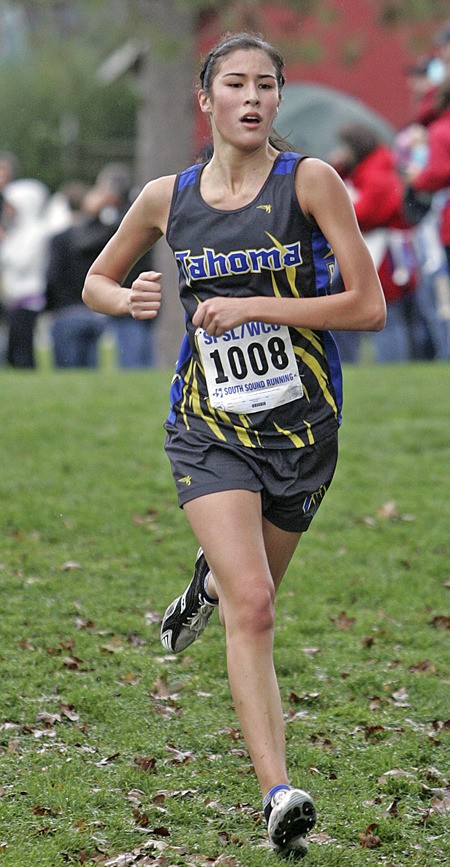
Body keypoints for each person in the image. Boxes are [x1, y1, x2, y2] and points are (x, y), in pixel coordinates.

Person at [82, 32, 386, 859]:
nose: (251, 99)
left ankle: (206, 580)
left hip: (303, 429)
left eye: (265, 86)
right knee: (253, 606)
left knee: (244, 587)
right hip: (208, 425)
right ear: (206, 100)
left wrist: (258, 306)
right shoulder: (166, 197)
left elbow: (368, 306)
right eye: (236, 84)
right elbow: (95, 279)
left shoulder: (310, 183)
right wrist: (125, 299)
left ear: (278, 99)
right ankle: (279, 794)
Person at [329, 122, 428, 362]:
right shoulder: (369, 167)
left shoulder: (376, 173)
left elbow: (365, 214)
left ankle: (392, 364)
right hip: (378, 250)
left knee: (388, 315)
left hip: (385, 254)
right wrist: (339, 168)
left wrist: (334, 214)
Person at [0, 178, 50, 368]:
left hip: (29, 297)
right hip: (14, 297)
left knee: (23, 350)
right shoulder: (16, 230)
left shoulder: (37, 231)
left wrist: (3, 244)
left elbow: (22, 263)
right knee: (14, 350)